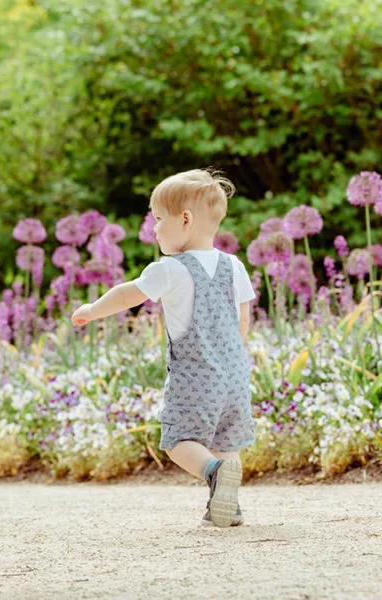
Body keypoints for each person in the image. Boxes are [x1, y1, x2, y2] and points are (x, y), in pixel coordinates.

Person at [71, 168, 256, 527]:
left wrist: (93, 310)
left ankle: (214, 472)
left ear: (184, 220)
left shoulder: (170, 269)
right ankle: (228, 505)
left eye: (158, 219)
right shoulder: (234, 265)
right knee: (225, 439)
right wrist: (234, 357)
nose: (154, 229)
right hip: (235, 372)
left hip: (196, 374)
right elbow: (243, 319)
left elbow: (128, 293)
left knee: (178, 440)